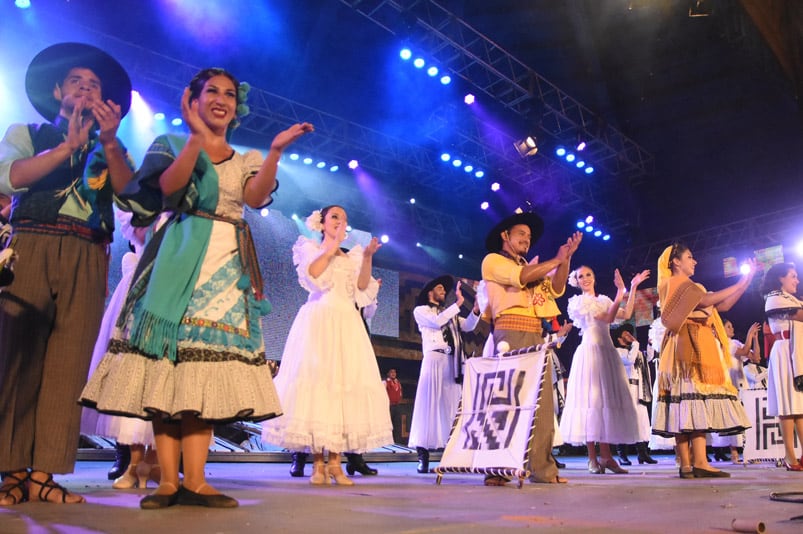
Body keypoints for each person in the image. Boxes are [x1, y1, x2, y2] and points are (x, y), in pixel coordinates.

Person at [81, 67, 305, 508]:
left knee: (202, 371)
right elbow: (169, 189)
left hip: (224, 267)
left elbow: (256, 199)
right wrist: (196, 137)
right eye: (211, 92)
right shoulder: (170, 143)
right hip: (176, 256)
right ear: (193, 99)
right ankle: (167, 480)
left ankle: (197, 480)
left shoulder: (246, 159)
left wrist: (275, 151)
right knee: (170, 365)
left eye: (228, 94)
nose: (221, 99)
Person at [0, 42, 134, 506]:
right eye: (76, 80)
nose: (85, 87)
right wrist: (67, 148)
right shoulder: (29, 131)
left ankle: (44, 474)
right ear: (57, 90)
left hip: (87, 251)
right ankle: (12, 472)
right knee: (18, 357)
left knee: (68, 364)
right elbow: (8, 178)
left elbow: (134, 199)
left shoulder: (111, 147)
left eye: (94, 84)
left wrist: (108, 142)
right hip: (31, 244)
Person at [262, 206, 393, 486]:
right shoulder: (310, 247)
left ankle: (336, 463)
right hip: (320, 319)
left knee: (342, 388)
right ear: (322, 223)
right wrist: (330, 248)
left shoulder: (352, 255)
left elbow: (361, 288)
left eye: (345, 218)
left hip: (347, 322)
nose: (341, 222)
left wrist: (367, 257)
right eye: (335, 217)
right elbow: (313, 279)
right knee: (318, 386)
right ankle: (317, 464)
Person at [480, 210, 582, 485]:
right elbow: (521, 277)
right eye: (521, 234)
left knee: (542, 404)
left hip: (537, 335)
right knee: (506, 402)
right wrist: (556, 259)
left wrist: (566, 258)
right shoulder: (493, 260)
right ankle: (497, 469)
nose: (527, 239)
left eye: (529, 235)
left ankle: (543, 469)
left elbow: (557, 289)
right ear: (505, 236)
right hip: (510, 332)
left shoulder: (530, 265)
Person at [652, 243, 754, 479]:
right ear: (676, 262)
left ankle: (689, 464)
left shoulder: (691, 287)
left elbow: (722, 305)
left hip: (692, 341)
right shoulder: (676, 283)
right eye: (689, 257)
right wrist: (738, 283)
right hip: (688, 343)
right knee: (691, 397)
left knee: (686, 400)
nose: (694, 261)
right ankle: (697, 462)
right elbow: (707, 301)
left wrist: (745, 283)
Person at [80, 210, 165, 489]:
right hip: (140, 290)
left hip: (169, 289)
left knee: (162, 375)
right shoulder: (141, 209)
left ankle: (155, 462)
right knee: (131, 373)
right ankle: (133, 462)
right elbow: (139, 232)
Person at [559, 266, 650, 474]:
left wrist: (633, 287)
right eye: (580, 276)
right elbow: (606, 318)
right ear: (576, 280)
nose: (585, 279)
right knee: (589, 401)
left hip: (607, 351)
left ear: (594, 277)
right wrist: (620, 292)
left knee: (605, 401)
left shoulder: (605, 300)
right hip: (590, 352)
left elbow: (625, 313)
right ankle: (593, 458)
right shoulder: (577, 302)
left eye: (588, 275)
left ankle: (607, 457)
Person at [409, 275, 480, 473]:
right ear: (429, 291)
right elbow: (437, 322)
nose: (443, 291)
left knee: (452, 405)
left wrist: (475, 310)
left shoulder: (450, 314)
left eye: (444, 289)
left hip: (453, 362)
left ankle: (454, 453)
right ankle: (423, 455)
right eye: (439, 288)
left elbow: (468, 326)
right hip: (433, 359)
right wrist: (457, 303)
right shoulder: (421, 310)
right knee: (428, 405)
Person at [761, 262, 803, 471]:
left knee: (800, 407)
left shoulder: (793, 299)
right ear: (780, 278)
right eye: (793, 276)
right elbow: (799, 315)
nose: (796, 280)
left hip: (797, 353)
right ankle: (790, 456)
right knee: (788, 406)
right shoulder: (774, 298)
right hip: (785, 351)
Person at [711, 319, 760, 464]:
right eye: (728, 326)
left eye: (732, 326)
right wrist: (749, 335)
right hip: (729, 382)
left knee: (746, 418)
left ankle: (748, 452)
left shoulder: (736, 342)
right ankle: (734, 454)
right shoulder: (726, 343)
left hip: (741, 383)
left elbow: (755, 357)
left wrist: (755, 339)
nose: (732, 328)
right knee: (734, 418)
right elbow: (744, 351)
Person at [612, 323, 657, 466]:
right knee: (624, 421)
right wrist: (636, 344)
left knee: (641, 421)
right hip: (626, 388)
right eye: (626, 334)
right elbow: (629, 360)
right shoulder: (617, 351)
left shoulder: (634, 350)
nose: (629, 336)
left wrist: (650, 345)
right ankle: (622, 454)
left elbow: (647, 358)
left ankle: (642, 453)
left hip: (639, 390)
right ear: (619, 337)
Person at [385, 368, 404, 445]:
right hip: (389, 406)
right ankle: (387, 441)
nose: (393, 373)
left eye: (394, 372)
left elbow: (400, 393)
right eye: (391, 372)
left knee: (397, 424)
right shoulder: (385, 382)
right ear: (388, 374)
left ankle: (396, 441)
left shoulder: (398, 383)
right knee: (388, 424)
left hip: (396, 406)